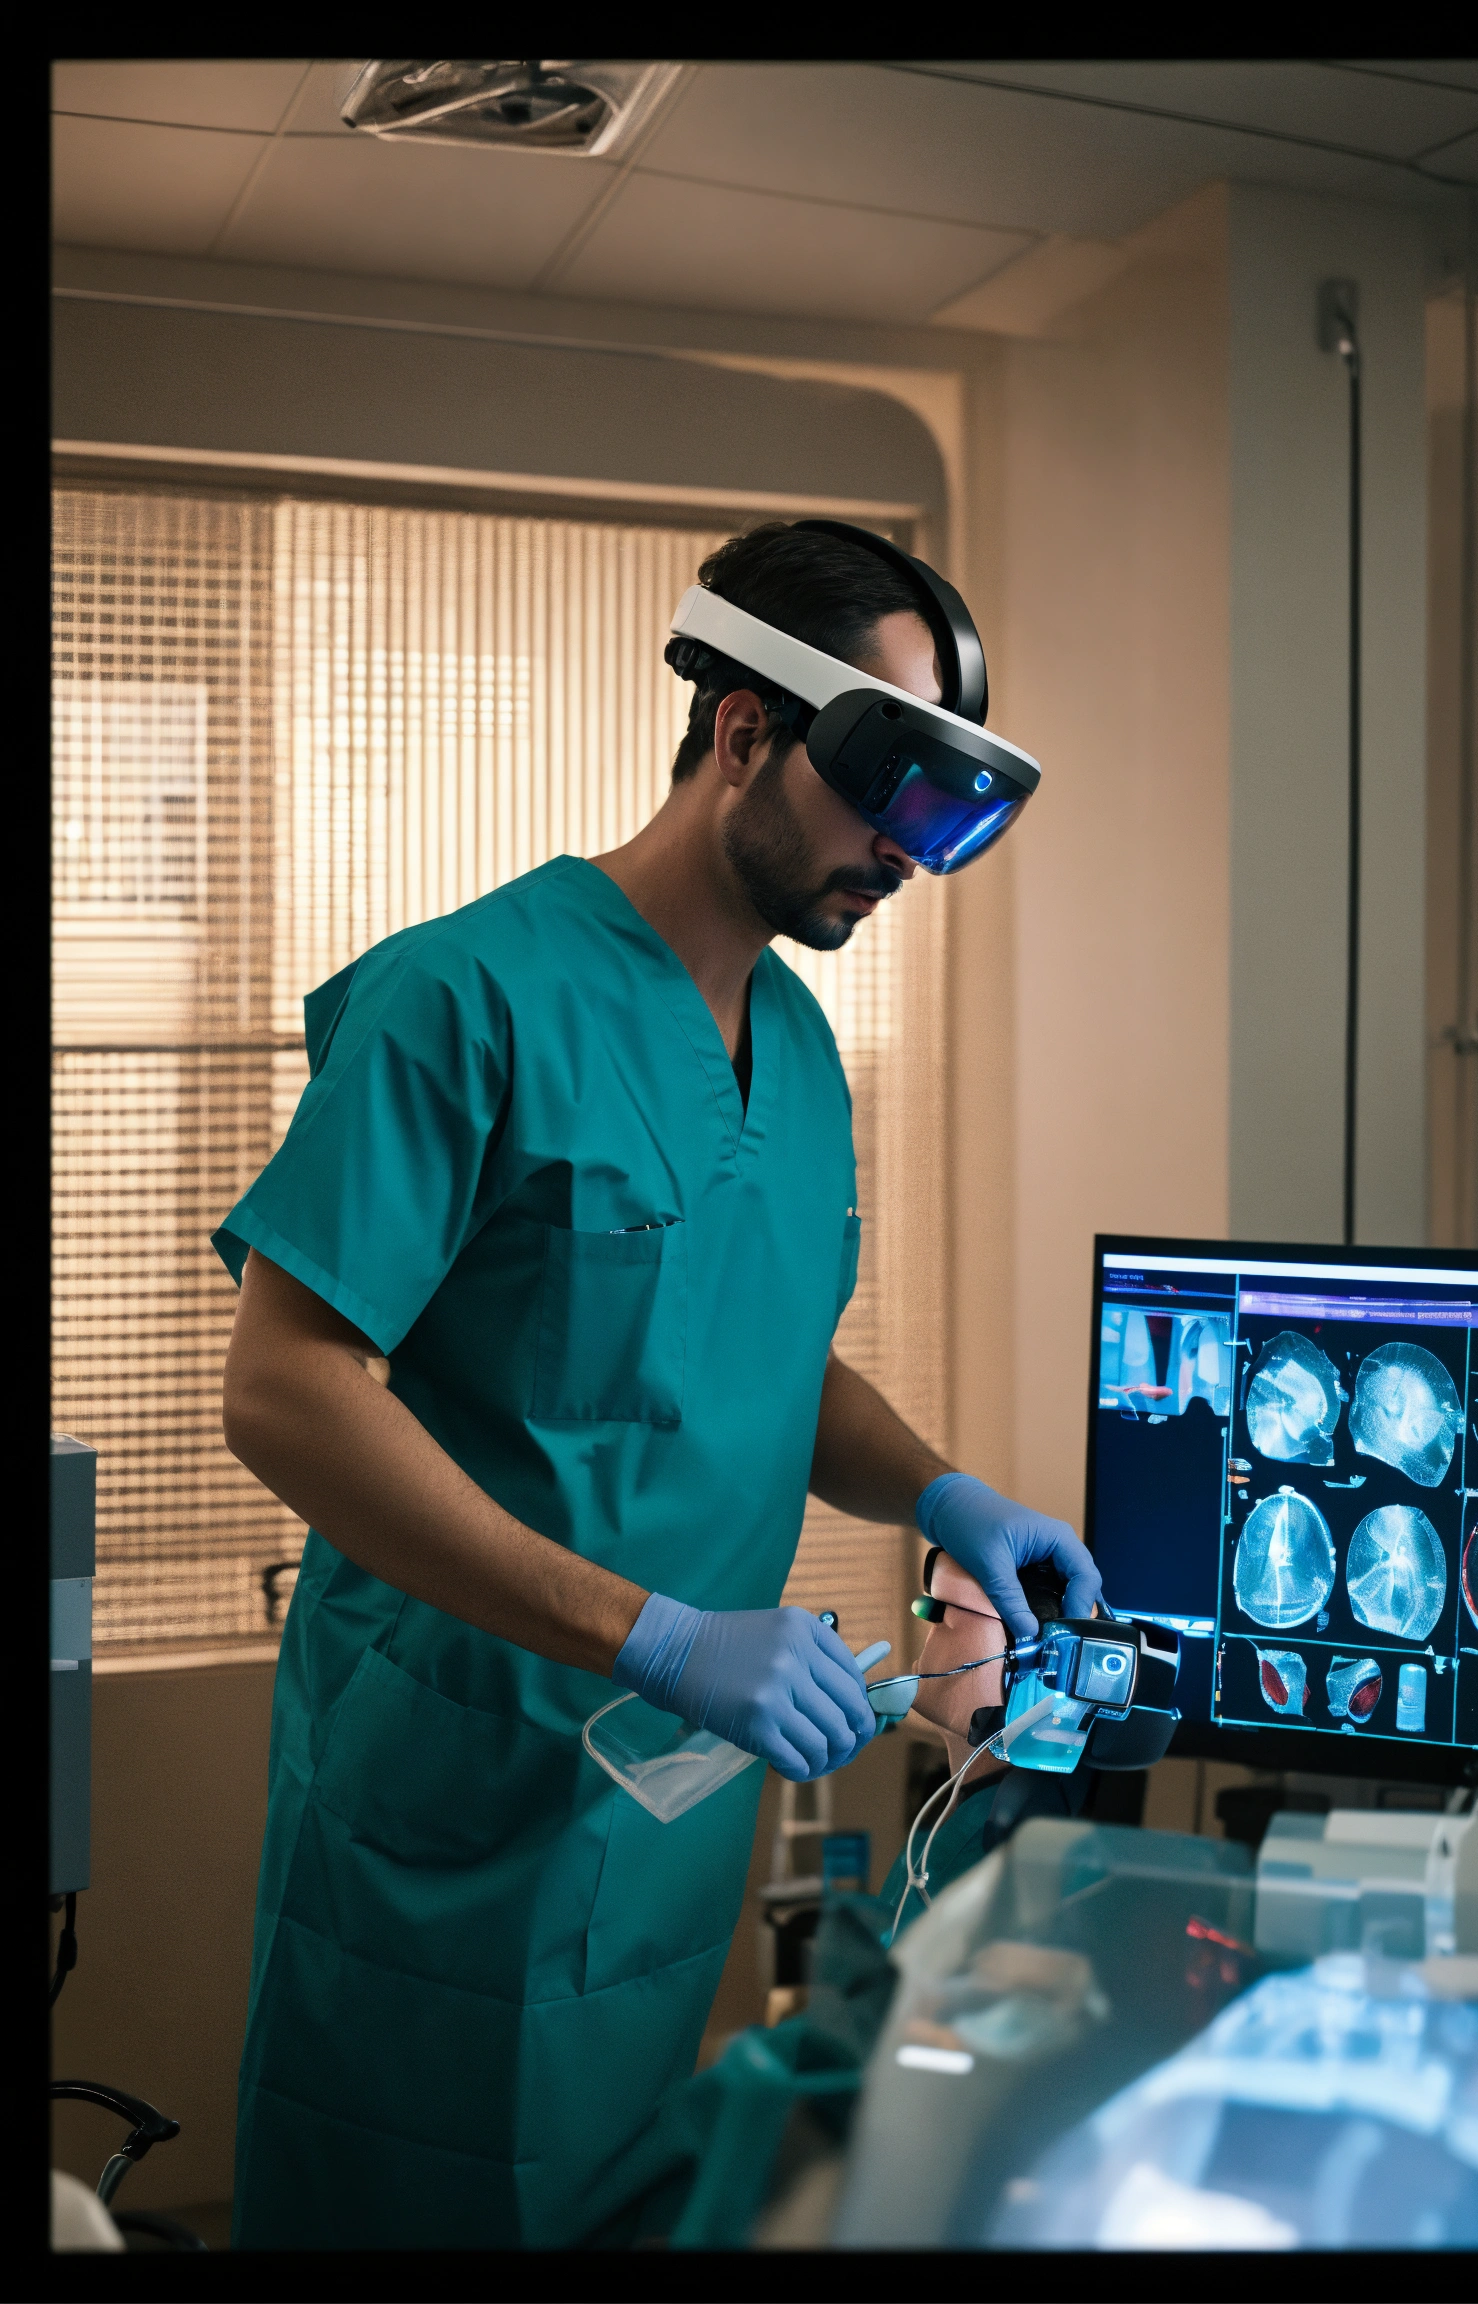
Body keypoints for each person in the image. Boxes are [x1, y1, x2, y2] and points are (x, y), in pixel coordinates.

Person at [215, 518, 1101, 2248]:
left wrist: (938, 1490)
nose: (901, 860)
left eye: (941, 823)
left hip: (664, 1830)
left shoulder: (804, 1050)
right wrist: (663, 1637)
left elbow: (744, 1351)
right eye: (883, 796)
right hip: (454, 1824)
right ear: (746, 729)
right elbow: (288, 1389)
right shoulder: (464, 998)